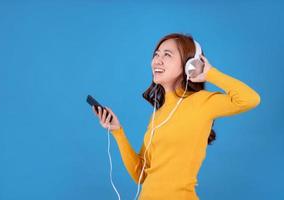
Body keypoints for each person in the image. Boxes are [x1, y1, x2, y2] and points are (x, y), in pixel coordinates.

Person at [91, 33, 261, 200]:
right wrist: (118, 132)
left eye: (167, 54)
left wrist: (210, 73)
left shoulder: (202, 102)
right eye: (156, 54)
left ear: (188, 64)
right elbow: (140, 175)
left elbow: (250, 99)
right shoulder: (158, 114)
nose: (157, 60)